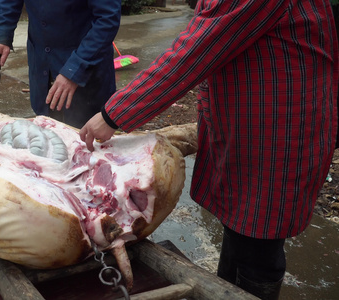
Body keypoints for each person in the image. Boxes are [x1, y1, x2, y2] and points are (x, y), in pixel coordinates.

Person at [80, 1, 338, 299]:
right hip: (250, 123)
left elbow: (192, 54)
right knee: (241, 229)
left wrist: (114, 114)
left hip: (276, 130)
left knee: (258, 242)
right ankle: (225, 288)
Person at [0, 0, 121, 128]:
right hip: (41, 65)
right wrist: (1, 34)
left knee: (90, 141)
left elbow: (107, 20)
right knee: (47, 132)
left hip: (87, 70)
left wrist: (75, 69)